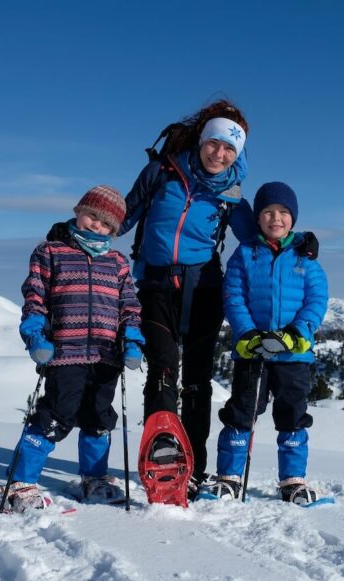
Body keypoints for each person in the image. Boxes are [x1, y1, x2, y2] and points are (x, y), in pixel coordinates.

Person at [118, 99, 255, 495]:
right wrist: (80, 229)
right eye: (215, 143)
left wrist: (298, 244)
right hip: (157, 285)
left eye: (230, 149)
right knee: (163, 367)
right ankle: (162, 456)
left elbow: (260, 240)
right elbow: (123, 218)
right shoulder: (161, 173)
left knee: (197, 380)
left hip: (205, 289)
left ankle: (193, 466)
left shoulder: (231, 196)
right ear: (202, 140)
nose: (220, 153)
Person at [4, 185, 144, 511]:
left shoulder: (118, 262)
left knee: (99, 418)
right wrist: (36, 336)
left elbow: (129, 306)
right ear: (79, 210)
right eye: (92, 216)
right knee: (56, 416)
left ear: (115, 230)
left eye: (106, 224)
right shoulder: (50, 252)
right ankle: (22, 482)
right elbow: (35, 299)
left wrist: (133, 340)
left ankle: (94, 479)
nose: (97, 226)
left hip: (107, 355)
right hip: (64, 353)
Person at [210, 181, 328, 505]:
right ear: (258, 218)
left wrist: (295, 334)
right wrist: (248, 333)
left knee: (292, 414)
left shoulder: (306, 257)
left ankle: (292, 480)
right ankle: (229, 476)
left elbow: (316, 301)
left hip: (294, 355)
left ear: (293, 218)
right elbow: (234, 296)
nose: (276, 218)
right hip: (253, 351)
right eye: (268, 212)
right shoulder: (245, 253)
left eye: (283, 213)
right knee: (242, 412)